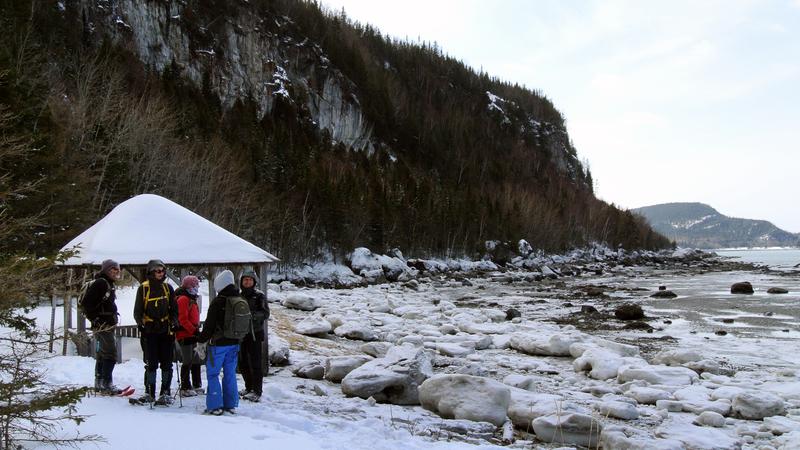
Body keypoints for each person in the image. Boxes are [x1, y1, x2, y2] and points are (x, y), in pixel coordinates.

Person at [133, 259, 177, 405]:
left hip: (166, 330)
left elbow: (174, 309)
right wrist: (141, 324)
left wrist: (175, 322)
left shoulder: (168, 288)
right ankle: (149, 392)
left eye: (162, 270)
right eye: (157, 270)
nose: (160, 273)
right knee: (151, 363)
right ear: (151, 271)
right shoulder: (144, 289)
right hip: (150, 331)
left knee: (167, 363)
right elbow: (137, 311)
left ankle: (165, 392)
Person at [198, 270, 241, 415]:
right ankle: (231, 404)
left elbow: (209, 325)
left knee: (213, 374)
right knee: (230, 373)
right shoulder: (239, 299)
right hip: (234, 343)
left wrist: (201, 340)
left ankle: (215, 405)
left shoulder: (218, 301)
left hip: (218, 344)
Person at [82, 259, 122, 394]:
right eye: (113, 269)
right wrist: (96, 319)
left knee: (102, 354)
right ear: (106, 270)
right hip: (103, 325)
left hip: (105, 324)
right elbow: (87, 304)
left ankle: (99, 382)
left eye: (117, 269)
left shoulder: (107, 283)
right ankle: (107, 383)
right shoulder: (101, 283)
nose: (116, 272)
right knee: (111, 353)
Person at [238, 268, 269, 402]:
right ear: (241, 281)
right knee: (243, 362)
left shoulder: (260, 295)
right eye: (245, 280)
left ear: (254, 282)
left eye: (250, 280)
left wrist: (252, 317)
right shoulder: (238, 296)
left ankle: (257, 390)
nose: (247, 282)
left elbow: (266, 313)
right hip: (241, 334)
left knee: (256, 363)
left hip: (255, 333)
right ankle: (248, 387)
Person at [175, 275, 204, 397]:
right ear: (188, 287)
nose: (196, 288)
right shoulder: (183, 299)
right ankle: (185, 386)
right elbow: (182, 319)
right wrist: (193, 330)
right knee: (187, 359)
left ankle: (197, 384)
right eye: (194, 286)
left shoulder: (192, 298)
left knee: (195, 359)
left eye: (196, 285)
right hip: (185, 333)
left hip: (192, 333)